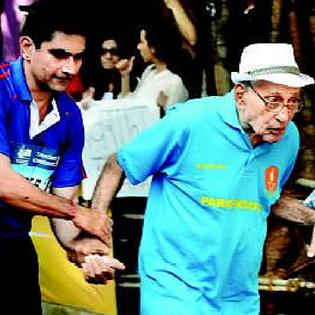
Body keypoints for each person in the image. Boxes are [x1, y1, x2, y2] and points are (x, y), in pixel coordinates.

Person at [82, 43, 315, 314]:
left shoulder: (288, 139)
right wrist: (95, 230)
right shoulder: (191, 121)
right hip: (174, 289)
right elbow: (118, 163)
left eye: (292, 101)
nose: (284, 114)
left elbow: (263, 196)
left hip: (239, 294)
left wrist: (311, 217)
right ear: (241, 94)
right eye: (273, 101)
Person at [0, 1, 123, 314]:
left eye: (78, 56)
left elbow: (63, 210)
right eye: (59, 54)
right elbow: (4, 183)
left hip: (13, 247)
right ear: (27, 47)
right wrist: (78, 213)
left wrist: (87, 251)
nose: (70, 67)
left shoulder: (69, 116)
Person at [116, 24, 188, 115]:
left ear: (153, 47)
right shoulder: (149, 71)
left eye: (142, 42)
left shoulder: (174, 81)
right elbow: (131, 104)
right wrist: (125, 76)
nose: (139, 47)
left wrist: (161, 110)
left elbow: (172, 121)